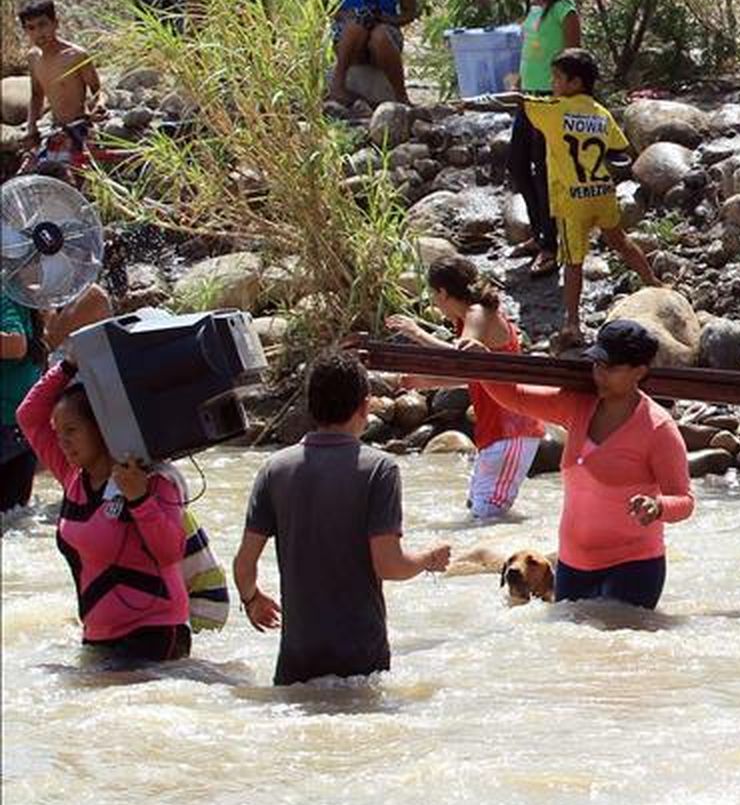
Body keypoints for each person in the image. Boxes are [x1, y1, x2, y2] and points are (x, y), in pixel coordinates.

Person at [233, 350, 450, 685]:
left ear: (311, 406)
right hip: (360, 658)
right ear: (364, 406)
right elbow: (389, 565)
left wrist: (252, 599)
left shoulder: (273, 470)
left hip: (297, 661)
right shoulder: (379, 469)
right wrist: (428, 560)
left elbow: (244, 565)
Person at [476, 321, 693, 609]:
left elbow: (685, 500)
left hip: (633, 568)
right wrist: (481, 358)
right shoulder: (578, 405)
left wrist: (658, 507)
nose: (600, 374)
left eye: (611, 368)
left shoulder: (658, 429)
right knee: (574, 650)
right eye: (597, 364)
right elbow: (513, 397)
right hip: (572, 566)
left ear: (639, 372)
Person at [16, 362, 191, 661]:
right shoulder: (73, 476)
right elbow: (29, 416)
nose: (63, 442)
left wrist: (139, 500)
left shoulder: (153, 479)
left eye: (72, 430)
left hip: (155, 632)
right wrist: (68, 365)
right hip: (98, 635)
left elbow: (171, 553)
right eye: (59, 433)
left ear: (102, 427)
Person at [385, 256, 546, 519]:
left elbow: (462, 359)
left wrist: (417, 333)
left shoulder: (477, 313)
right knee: (479, 511)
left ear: (443, 292)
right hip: (498, 431)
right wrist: (425, 382)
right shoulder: (468, 319)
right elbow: (475, 373)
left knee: (487, 515)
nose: (435, 305)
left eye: (434, 296)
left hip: (512, 429)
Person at [522, 48, 661, 348]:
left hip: (572, 201)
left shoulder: (554, 110)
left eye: (557, 77)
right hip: (601, 192)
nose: (552, 82)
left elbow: (522, 103)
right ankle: (654, 283)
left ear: (574, 83)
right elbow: (619, 149)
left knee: (573, 262)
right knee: (620, 241)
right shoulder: (601, 113)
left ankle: (572, 322)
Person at [509, 0, 581, 277]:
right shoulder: (534, 5)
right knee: (517, 165)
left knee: (544, 172)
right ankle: (539, 234)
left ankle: (552, 246)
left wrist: (567, 102)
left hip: (551, 102)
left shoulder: (564, 10)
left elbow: (575, 62)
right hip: (528, 98)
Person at [18, 0, 101, 169]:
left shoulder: (75, 56)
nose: (39, 33)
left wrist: (98, 107)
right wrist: (31, 126)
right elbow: (36, 94)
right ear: (25, 31)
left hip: (79, 127)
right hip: (54, 128)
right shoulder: (33, 58)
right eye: (31, 28)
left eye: (43, 25)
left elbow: (98, 90)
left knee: (69, 177)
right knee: (31, 176)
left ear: (55, 23)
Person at [1, 292, 43, 512]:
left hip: (9, 425)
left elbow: (15, 345)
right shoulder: (16, 292)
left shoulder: (5, 293)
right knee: (14, 515)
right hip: (21, 421)